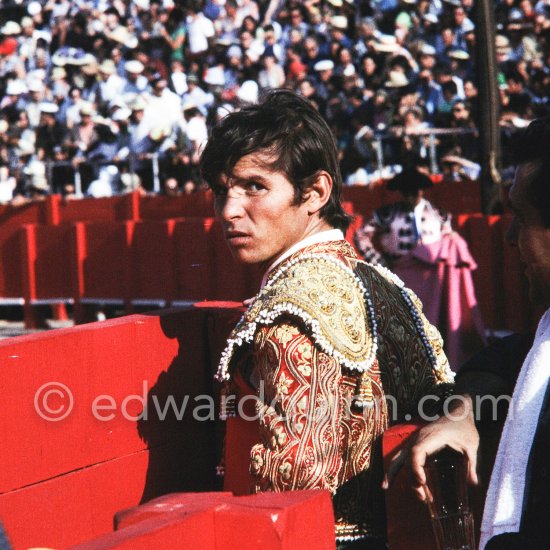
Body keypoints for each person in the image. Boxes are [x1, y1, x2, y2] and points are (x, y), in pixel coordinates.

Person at [199, 90, 454, 548]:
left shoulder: (291, 309)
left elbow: (292, 486)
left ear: (315, 192)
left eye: (254, 186)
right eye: (222, 191)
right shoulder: (387, 284)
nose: (228, 210)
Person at [384, 116, 550, 549]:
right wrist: (465, 409)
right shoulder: (536, 347)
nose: (511, 236)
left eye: (522, 218)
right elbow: (508, 358)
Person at [354, 167, 486, 367]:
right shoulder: (387, 214)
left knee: (434, 321)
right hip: (400, 274)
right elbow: (361, 236)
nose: (409, 197)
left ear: (421, 191)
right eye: (405, 193)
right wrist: (379, 263)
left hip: (433, 278)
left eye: (413, 192)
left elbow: (449, 241)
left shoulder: (439, 215)